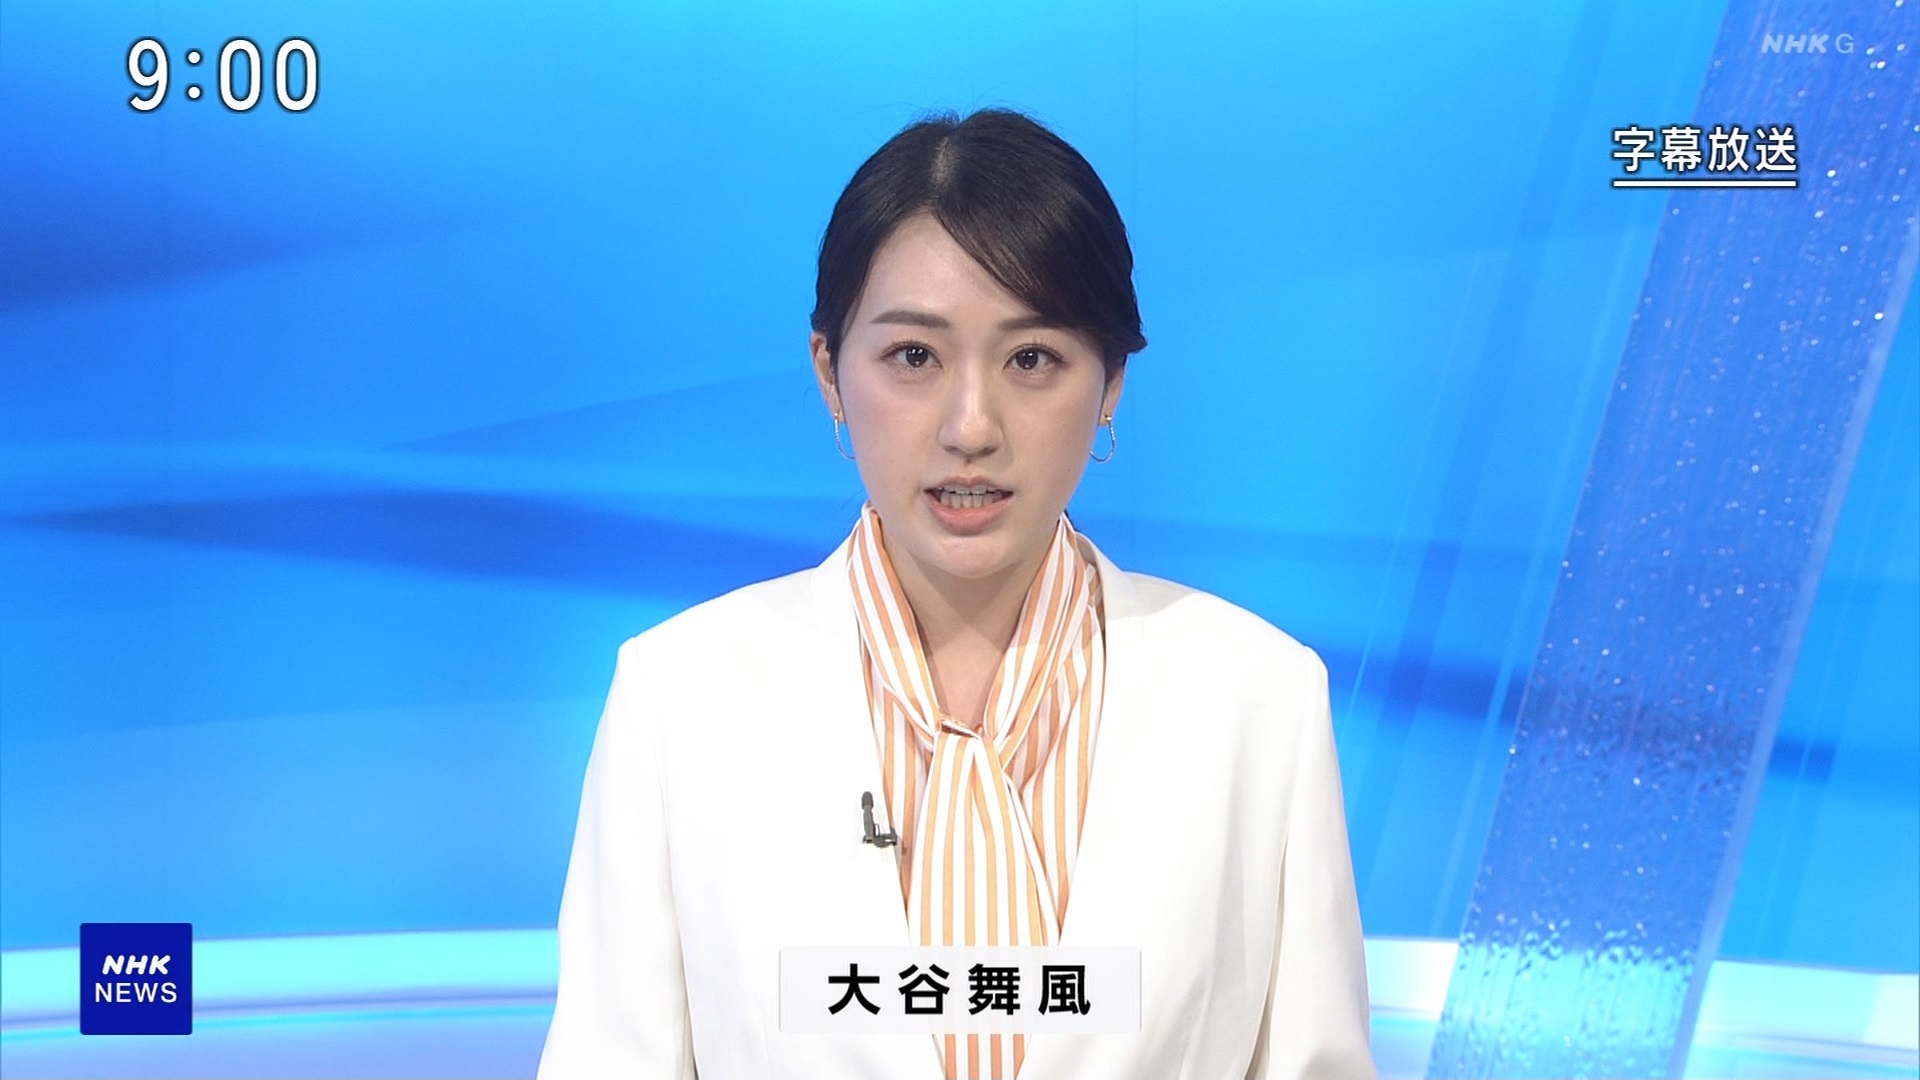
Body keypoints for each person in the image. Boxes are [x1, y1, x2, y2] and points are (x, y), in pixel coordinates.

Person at [536, 108, 1375, 1080]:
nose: (971, 427)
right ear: (829, 373)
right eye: (914, 358)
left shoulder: (1259, 698)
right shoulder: (680, 697)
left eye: (1032, 359)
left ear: (1111, 382)